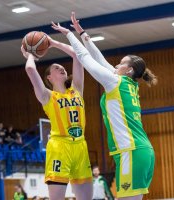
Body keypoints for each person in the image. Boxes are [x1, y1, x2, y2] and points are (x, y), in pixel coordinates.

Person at [51, 12, 157, 200]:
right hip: (140, 151)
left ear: (129, 70)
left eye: (121, 63)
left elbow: (85, 58)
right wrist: (82, 34)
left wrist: (68, 34)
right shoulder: (127, 84)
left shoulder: (115, 82)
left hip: (130, 152)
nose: (116, 64)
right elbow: (99, 59)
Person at [21, 35, 92, 200]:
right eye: (56, 67)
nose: (62, 68)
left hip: (80, 146)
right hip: (59, 147)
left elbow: (76, 55)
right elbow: (30, 70)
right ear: (49, 78)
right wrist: (31, 54)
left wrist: (53, 43)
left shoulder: (77, 89)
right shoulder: (47, 96)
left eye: (63, 67)